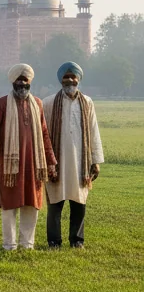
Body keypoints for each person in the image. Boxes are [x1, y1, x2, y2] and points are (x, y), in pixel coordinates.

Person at [0, 63, 57, 251]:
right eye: (18, 80)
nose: (22, 83)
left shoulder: (37, 103)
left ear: (30, 82)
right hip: (10, 165)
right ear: (12, 81)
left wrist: (51, 161)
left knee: (32, 203)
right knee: (9, 205)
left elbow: (45, 134)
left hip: (34, 164)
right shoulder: (1, 104)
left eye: (25, 80)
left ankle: (27, 243)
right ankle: (9, 244)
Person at [43, 62, 104, 249]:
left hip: (80, 162)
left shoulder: (87, 102)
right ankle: (54, 240)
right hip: (56, 161)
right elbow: (43, 134)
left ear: (78, 79)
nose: (70, 79)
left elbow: (93, 130)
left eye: (73, 76)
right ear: (60, 80)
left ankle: (77, 240)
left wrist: (96, 160)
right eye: (66, 76)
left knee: (79, 201)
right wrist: (46, 160)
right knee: (55, 201)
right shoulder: (49, 102)